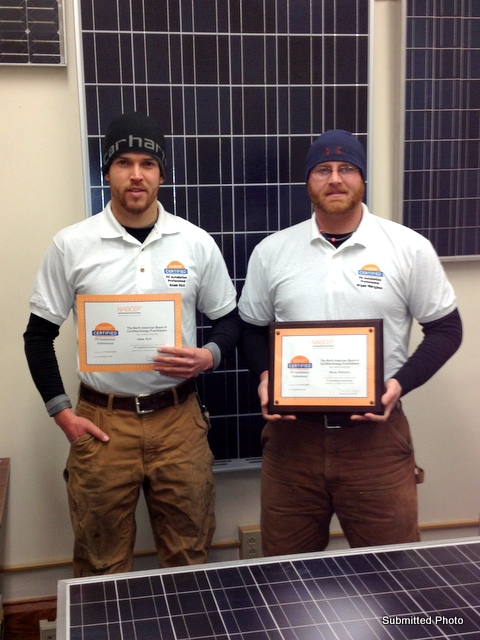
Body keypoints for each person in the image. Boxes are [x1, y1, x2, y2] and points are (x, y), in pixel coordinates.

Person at [24, 112, 241, 576]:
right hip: (102, 423)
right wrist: (63, 414)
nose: (136, 174)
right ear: (107, 171)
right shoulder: (71, 245)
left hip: (179, 421)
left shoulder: (195, 242)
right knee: (100, 565)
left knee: (188, 557)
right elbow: (38, 336)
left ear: (162, 173)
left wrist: (209, 355)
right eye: (124, 162)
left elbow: (229, 320)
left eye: (148, 163)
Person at [238, 129, 462, 556]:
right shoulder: (273, 251)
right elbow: (250, 327)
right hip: (292, 446)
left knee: (393, 573)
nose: (335, 179)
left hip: (375, 443)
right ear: (308, 181)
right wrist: (266, 376)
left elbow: (447, 329)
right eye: (323, 169)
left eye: (347, 169)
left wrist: (398, 385)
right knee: (286, 574)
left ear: (362, 178)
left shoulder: (408, 248)